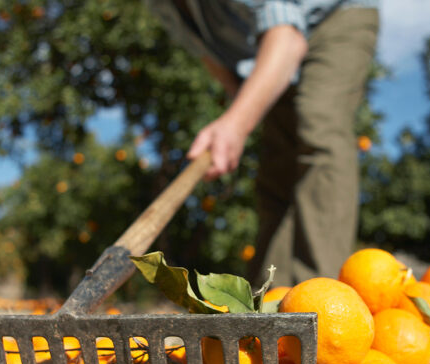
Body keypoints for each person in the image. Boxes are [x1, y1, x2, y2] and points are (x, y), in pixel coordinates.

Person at [146, 0, 379, 286]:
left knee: (319, 126)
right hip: (271, 46)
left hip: (334, 16)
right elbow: (209, 52)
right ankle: (270, 296)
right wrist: (239, 115)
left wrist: (236, 123)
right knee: (278, 163)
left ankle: (319, 295)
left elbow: (287, 39)